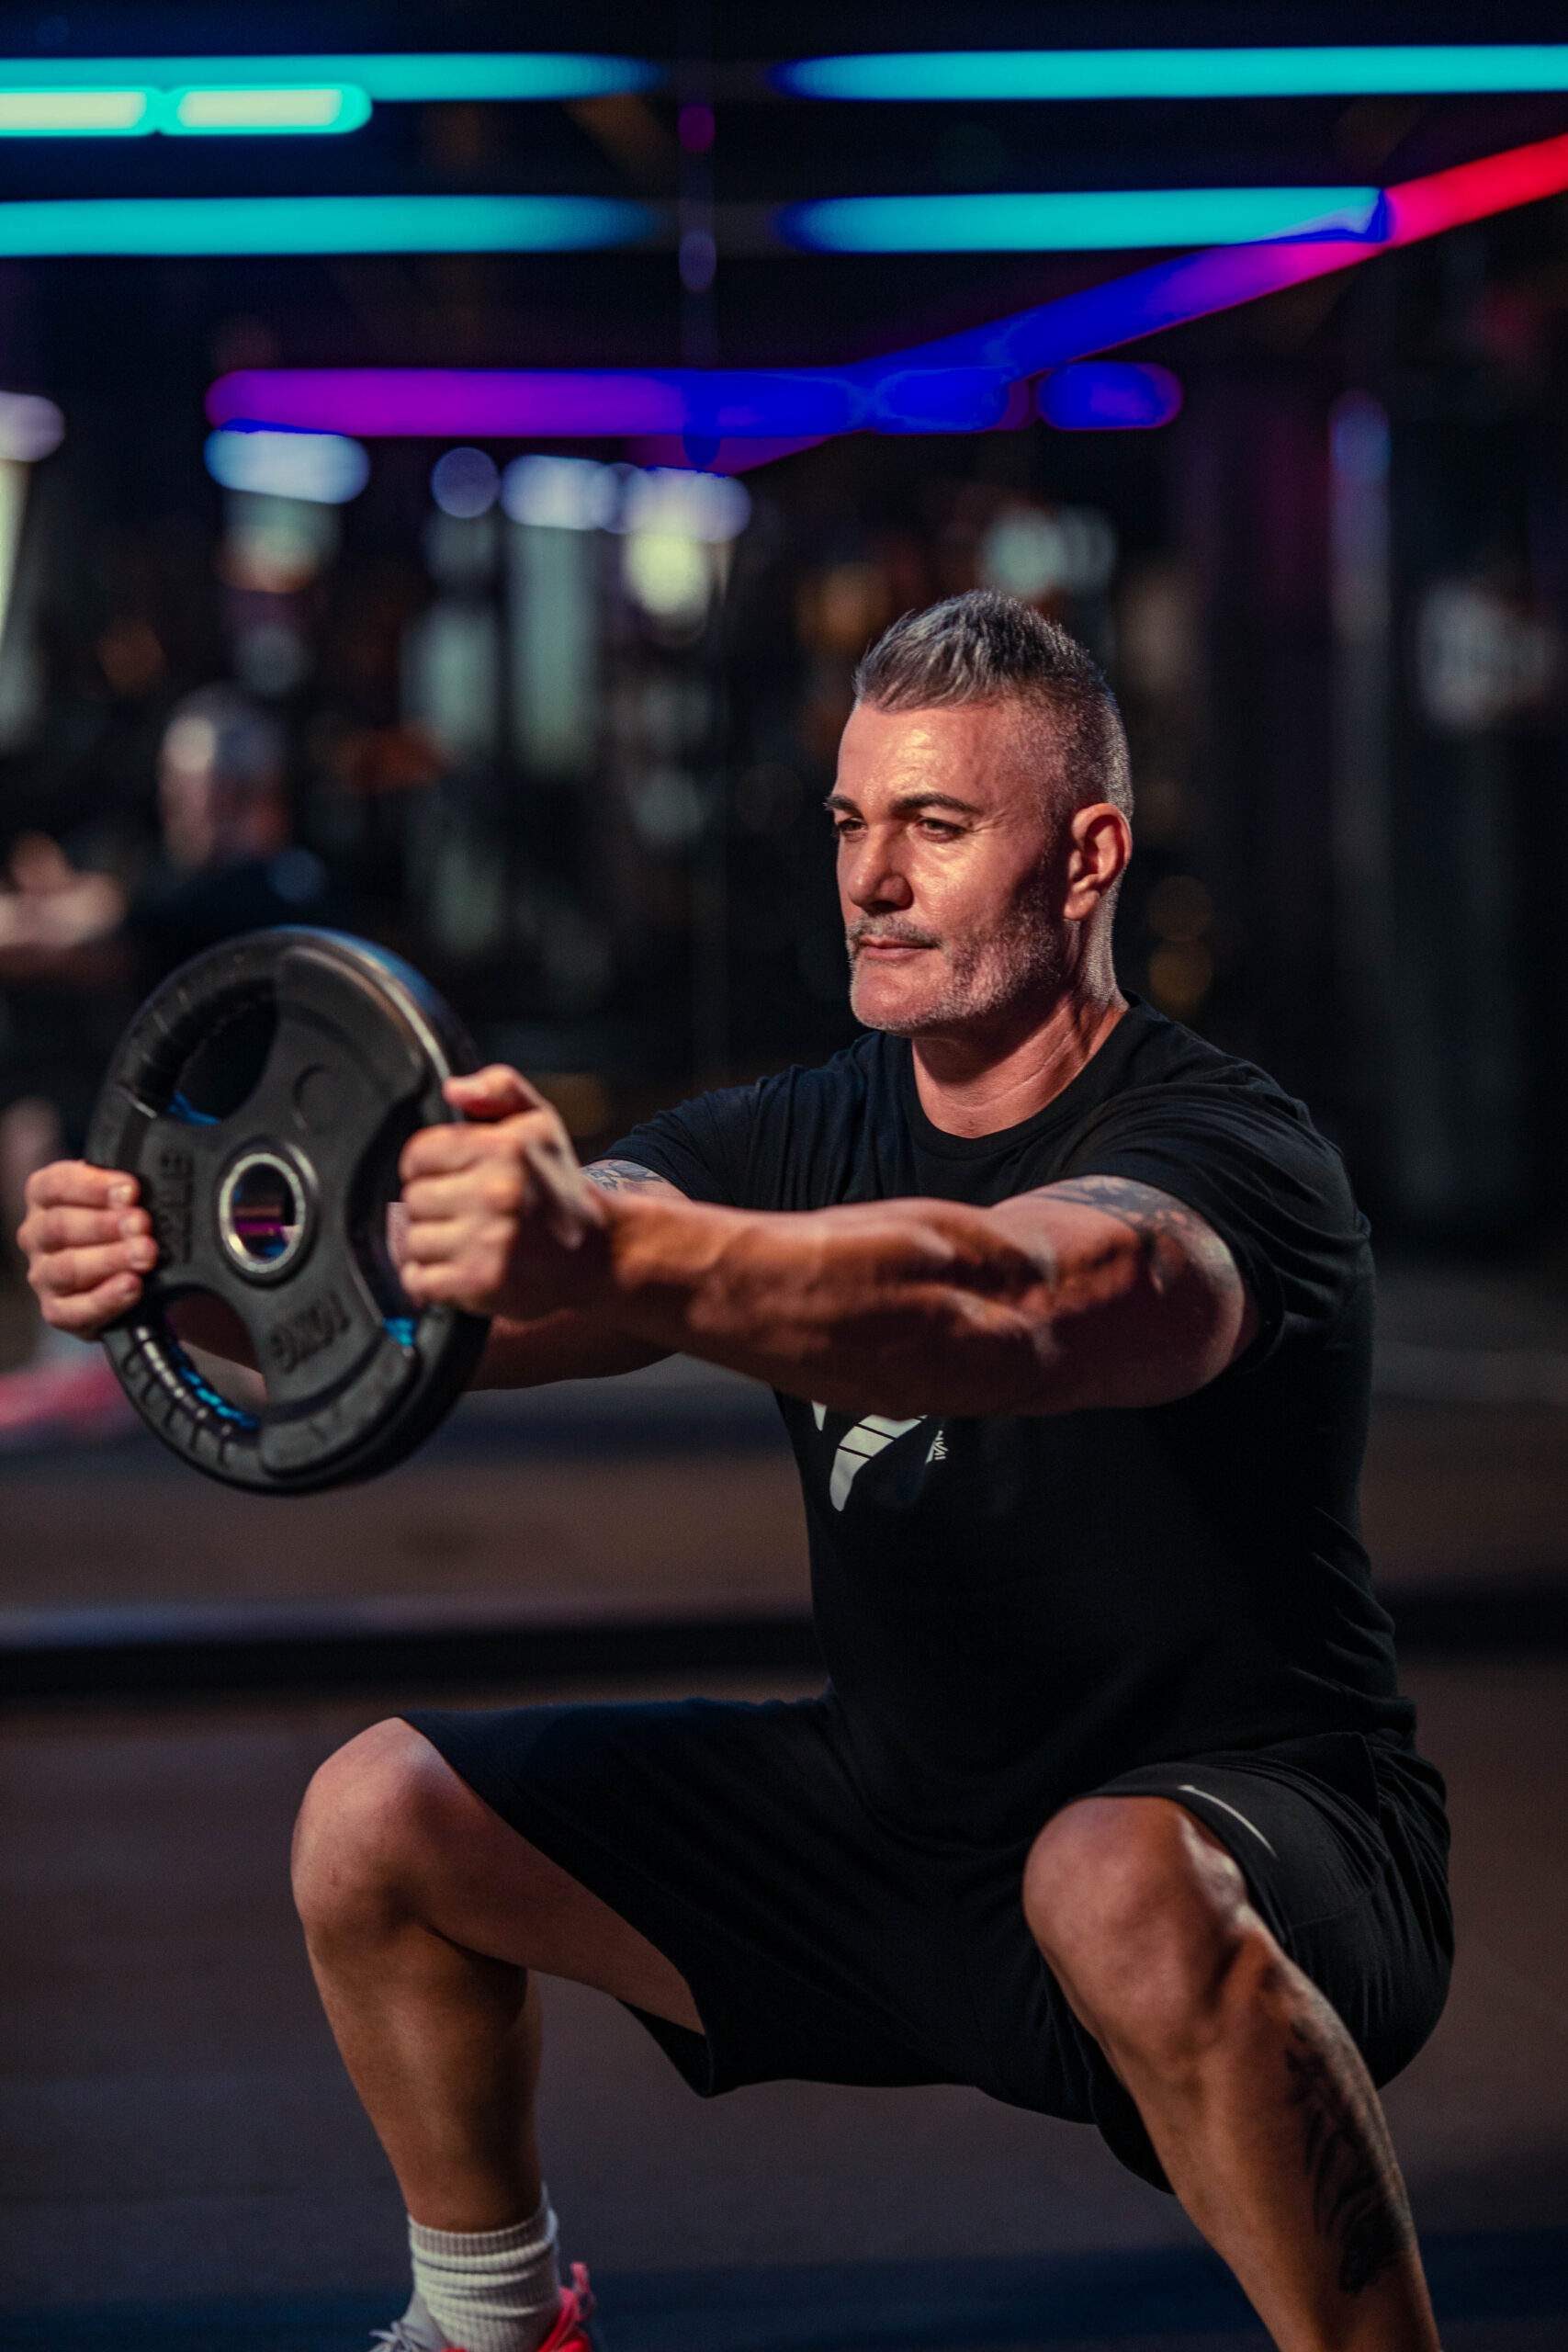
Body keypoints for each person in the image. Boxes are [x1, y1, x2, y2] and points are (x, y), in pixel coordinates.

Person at [17, 592, 1452, 2352]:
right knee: (375, 1823)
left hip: (1264, 1844)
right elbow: (466, 1307)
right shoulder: (787, 1130)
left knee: (1111, 1875)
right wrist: (187, 1277)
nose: (871, 878)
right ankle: (490, 2325)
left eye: (936, 826)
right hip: (906, 1829)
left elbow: (1006, 1301)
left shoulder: (1230, 1152)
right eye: (852, 824)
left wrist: (630, 1261)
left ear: (1086, 859)